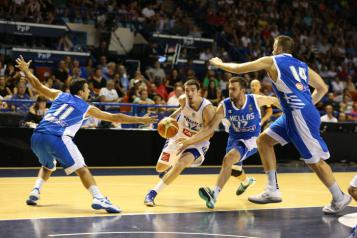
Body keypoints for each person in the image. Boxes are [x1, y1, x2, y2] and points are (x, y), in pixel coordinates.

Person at [208, 35, 351, 214]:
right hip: (295, 113)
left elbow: (239, 69)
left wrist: (220, 63)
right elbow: (323, 88)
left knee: (315, 161)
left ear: (279, 48)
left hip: (299, 115)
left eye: (274, 46)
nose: (272, 49)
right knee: (264, 141)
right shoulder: (302, 65)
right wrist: (306, 105)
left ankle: (339, 197)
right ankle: (272, 189)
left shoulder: (272, 61)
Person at [15, 56, 156, 213]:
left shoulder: (59, 94)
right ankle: (99, 198)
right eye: (88, 89)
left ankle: (35, 191)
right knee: (82, 169)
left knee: (48, 165)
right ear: (81, 92)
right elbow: (115, 117)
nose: (89, 91)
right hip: (57, 137)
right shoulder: (86, 107)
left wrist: (26, 71)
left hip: (37, 136)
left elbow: (37, 85)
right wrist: (140, 120)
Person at [177, 77, 280, 209]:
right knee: (234, 170)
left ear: (242, 90)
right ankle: (247, 181)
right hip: (233, 139)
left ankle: (213, 195)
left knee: (228, 159)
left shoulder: (255, 99)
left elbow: (275, 101)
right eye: (229, 88)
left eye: (233, 89)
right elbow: (209, 128)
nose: (230, 91)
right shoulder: (224, 105)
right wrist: (188, 142)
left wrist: (291, 113)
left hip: (251, 139)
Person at [144, 79, 215, 207]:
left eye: (193, 90)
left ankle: (152, 193)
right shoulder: (183, 99)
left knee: (181, 164)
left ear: (199, 92)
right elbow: (181, 109)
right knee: (160, 168)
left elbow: (210, 133)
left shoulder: (207, 109)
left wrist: (189, 141)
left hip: (198, 142)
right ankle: (170, 169)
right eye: (187, 90)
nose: (189, 93)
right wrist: (170, 119)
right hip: (179, 136)